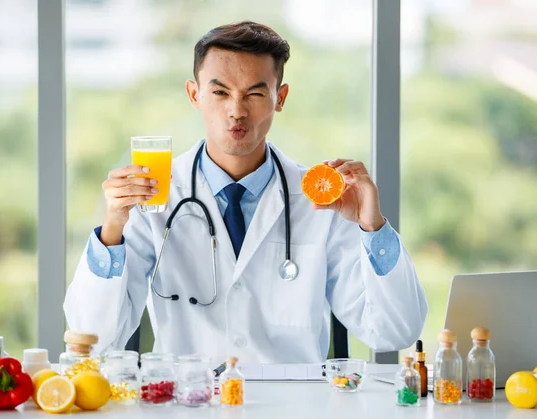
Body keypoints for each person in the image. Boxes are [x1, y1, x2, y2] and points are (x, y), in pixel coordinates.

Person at [64, 21, 428, 363]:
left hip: (293, 405)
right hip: (189, 401)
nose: (236, 111)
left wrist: (373, 227)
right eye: (220, 92)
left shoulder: (324, 202)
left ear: (280, 98)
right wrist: (112, 232)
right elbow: (92, 339)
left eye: (254, 93)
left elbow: (393, 331)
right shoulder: (155, 197)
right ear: (195, 94)